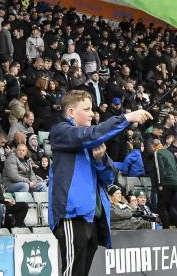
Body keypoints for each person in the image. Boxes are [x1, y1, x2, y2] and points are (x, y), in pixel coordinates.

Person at [48, 89, 151, 276]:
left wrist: (100, 158)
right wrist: (126, 118)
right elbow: (90, 135)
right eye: (86, 109)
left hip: (92, 217)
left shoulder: (90, 141)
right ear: (71, 112)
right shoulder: (60, 132)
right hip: (73, 215)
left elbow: (110, 178)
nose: (92, 114)